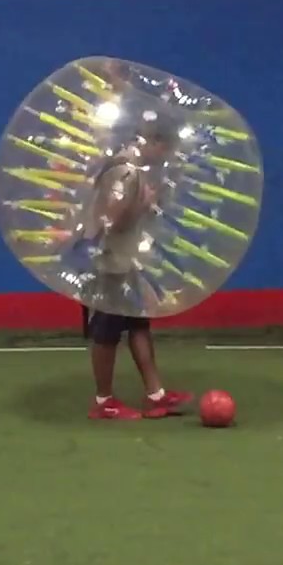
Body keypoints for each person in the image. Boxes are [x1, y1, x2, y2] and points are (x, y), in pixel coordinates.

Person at [77, 119, 192, 419]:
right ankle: (103, 402)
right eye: (165, 151)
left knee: (139, 324)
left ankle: (156, 395)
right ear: (154, 143)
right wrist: (145, 204)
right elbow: (110, 221)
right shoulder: (125, 171)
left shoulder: (130, 170)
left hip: (124, 260)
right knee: (107, 330)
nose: (165, 158)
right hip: (110, 262)